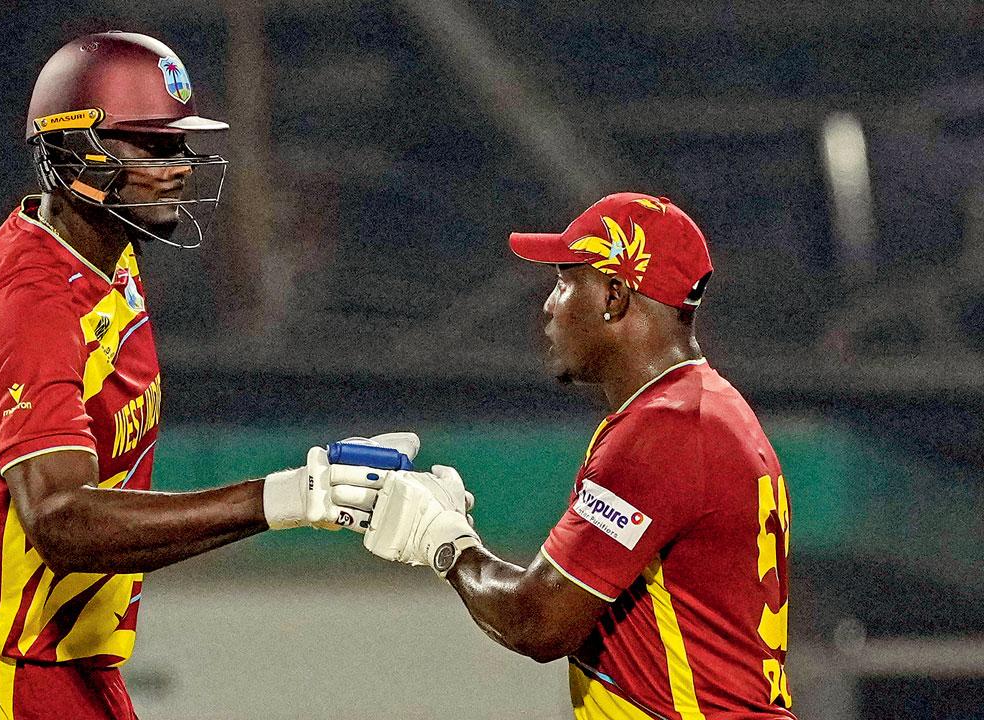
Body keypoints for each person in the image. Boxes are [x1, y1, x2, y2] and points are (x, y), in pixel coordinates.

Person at [0, 32, 401, 720]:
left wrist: (307, 493)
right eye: (151, 146)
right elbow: (60, 519)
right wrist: (287, 497)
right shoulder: (30, 305)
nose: (177, 167)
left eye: (179, 145)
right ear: (70, 150)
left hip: (49, 653)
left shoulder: (106, 256)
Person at [334, 193, 796, 719]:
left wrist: (444, 541)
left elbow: (538, 621)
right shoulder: (704, 411)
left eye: (563, 282)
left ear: (615, 296)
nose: (549, 305)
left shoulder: (664, 429)